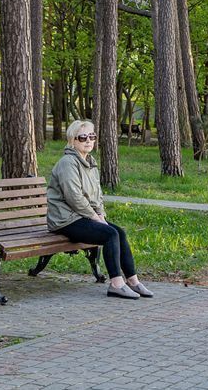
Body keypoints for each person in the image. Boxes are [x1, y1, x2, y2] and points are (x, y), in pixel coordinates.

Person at [47, 119, 152, 300]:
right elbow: (74, 197)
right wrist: (95, 217)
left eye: (91, 136)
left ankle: (133, 281)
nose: (88, 140)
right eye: (83, 137)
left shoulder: (90, 163)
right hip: (65, 220)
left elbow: (97, 195)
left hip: (81, 216)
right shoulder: (67, 163)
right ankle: (116, 284)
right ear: (73, 140)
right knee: (109, 234)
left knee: (119, 232)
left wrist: (101, 213)